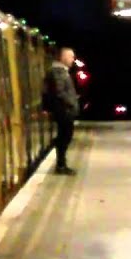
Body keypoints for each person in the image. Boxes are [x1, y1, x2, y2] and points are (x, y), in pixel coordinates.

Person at [42, 47, 79, 175]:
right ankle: (61, 165)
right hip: (63, 111)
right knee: (64, 137)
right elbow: (60, 92)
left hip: (64, 110)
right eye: (71, 56)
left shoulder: (61, 71)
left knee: (65, 136)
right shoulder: (58, 72)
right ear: (63, 57)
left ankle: (62, 164)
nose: (73, 59)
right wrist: (71, 103)